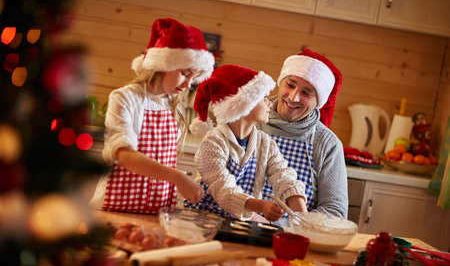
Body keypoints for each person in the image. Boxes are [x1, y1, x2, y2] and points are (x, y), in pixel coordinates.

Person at [90, 18, 215, 214]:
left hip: (158, 208)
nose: (188, 85)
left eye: (194, 78)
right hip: (117, 206)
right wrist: (177, 177)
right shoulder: (125, 98)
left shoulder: (174, 104)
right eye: (184, 73)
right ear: (162, 65)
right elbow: (123, 155)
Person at [185, 64, 308, 222]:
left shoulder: (266, 144)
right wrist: (261, 206)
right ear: (244, 104)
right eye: (264, 98)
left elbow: (283, 176)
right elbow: (223, 189)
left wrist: (303, 217)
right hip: (204, 218)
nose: (270, 103)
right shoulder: (213, 143)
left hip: (237, 220)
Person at [258, 49, 348, 220]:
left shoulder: (327, 144)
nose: (294, 97)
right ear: (280, 82)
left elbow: (335, 212)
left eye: (306, 93)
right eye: (290, 85)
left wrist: (288, 223)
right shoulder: (249, 121)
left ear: (318, 102)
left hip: (292, 238)